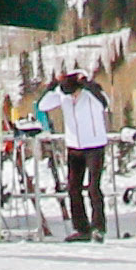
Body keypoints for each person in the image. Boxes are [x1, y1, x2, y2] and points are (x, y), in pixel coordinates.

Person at [58, 65, 115, 241]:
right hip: (74, 146)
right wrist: (54, 84)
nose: (72, 97)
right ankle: (82, 228)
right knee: (73, 188)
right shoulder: (64, 97)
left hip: (94, 145)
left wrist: (89, 85)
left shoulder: (91, 94)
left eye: (74, 93)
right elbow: (44, 104)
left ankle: (99, 227)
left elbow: (105, 103)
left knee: (93, 187)